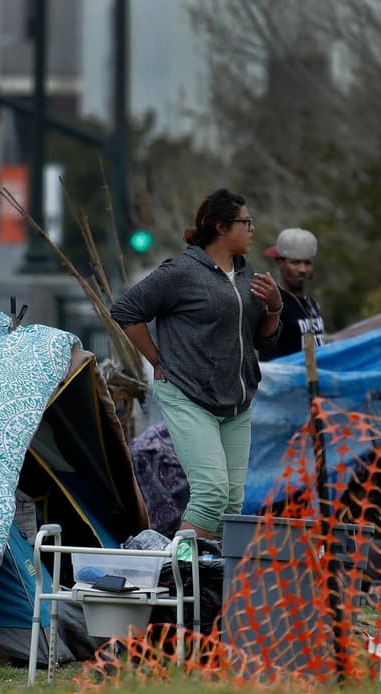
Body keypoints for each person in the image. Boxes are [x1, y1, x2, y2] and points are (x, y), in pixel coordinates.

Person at [109, 188, 282, 539]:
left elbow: (264, 339)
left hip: (236, 403)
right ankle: (181, 576)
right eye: (245, 222)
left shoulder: (250, 276)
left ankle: (213, 586)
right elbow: (126, 310)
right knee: (211, 494)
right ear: (221, 227)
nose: (252, 229)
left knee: (232, 503)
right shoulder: (182, 271)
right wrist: (156, 359)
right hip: (189, 394)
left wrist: (276, 308)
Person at [257, 228, 328, 361]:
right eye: (295, 262)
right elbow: (269, 362)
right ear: (280, 263)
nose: (302, 269)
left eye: (307, 262)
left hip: (316, 379)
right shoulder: (274, 304)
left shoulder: (311, 304)